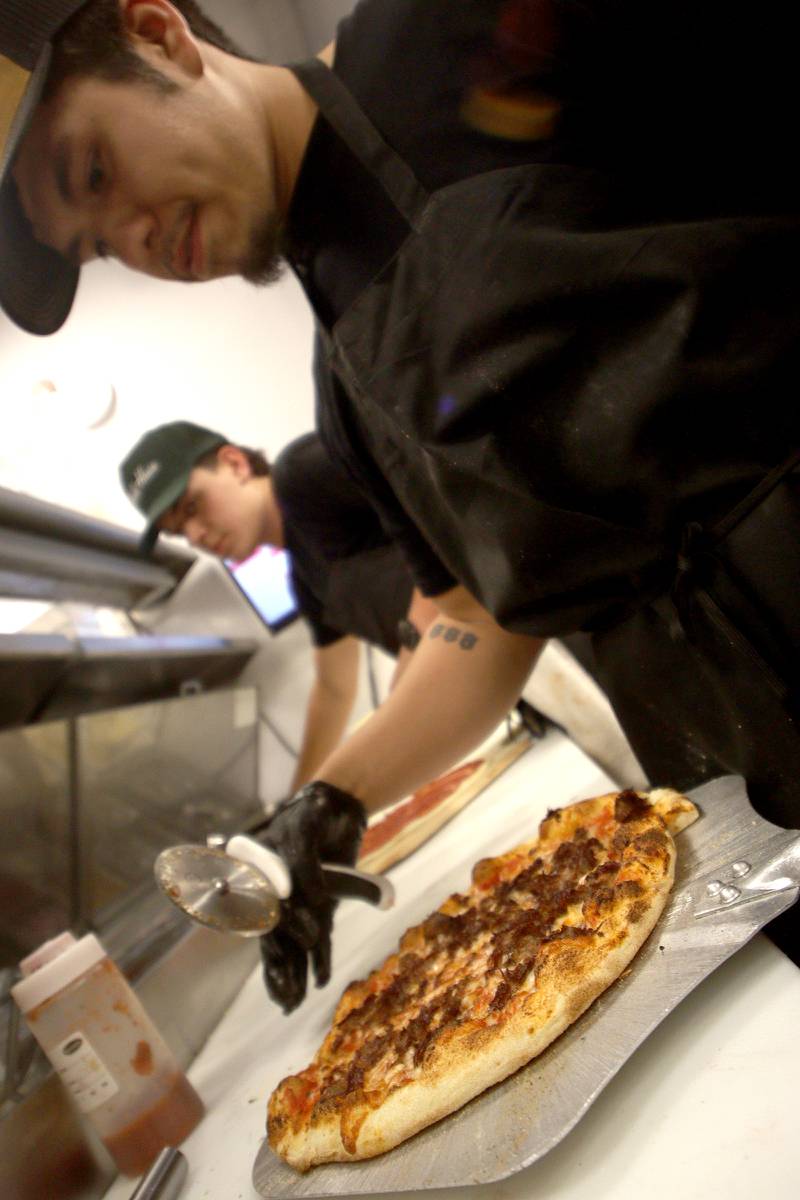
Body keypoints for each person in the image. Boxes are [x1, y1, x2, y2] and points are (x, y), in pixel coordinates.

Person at [1, 1, 798, 1013]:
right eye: (99, 247)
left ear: (158, 31)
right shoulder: (345, 394)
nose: (134, 235)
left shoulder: (456, 29)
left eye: (98, 173)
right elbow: (474, 623)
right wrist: (323, 808)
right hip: (737, 783)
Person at [119, 414, 440, 790]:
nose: (195, 535)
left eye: (192, 507)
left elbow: (436, 524)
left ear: (235, 464)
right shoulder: (307, 578)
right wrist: (301, 799)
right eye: (178, 532)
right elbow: (334, 689)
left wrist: (393, 719)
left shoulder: (303, 473)